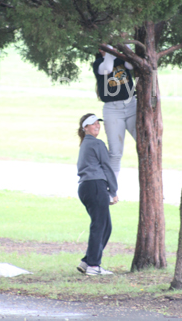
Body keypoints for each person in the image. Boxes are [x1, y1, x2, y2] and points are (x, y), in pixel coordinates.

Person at [76, 113, 118, 276]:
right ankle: (94, 266)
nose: (97, 126)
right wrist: (113, 191)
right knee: (100, 226)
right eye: (93, 124)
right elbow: (107, 167)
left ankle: (87, 262)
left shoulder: (86, 144)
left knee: (105, 226)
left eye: (98, 124)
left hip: (86, 188)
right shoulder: (97, 143)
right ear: (85, 128)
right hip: (95, 186)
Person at [93, 45, 137, 181]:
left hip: (131, 105)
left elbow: (130, 65)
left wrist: (125, 45)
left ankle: (153, 184)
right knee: (115, 153)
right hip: (112, 110)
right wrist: (109, 53)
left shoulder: (121, 60)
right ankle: (112, 189)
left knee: (145, 143)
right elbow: (107, 68)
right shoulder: (99, 63)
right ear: (101, 50)